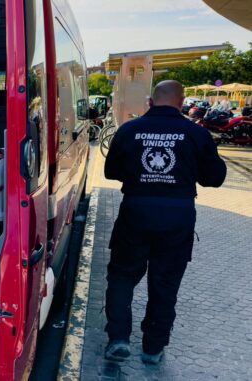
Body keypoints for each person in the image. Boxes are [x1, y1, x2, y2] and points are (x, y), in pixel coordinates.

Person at [103, 80, 227, 364]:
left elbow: (111, 172)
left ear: (150, 101)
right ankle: (153, 348)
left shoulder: (129, 130)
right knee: (165, 283)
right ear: (181, 103)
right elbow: (215, 178)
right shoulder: (196, 133)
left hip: (135, 212)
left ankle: (118, 339)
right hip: (177, 217)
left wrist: (139, 175)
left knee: (121, 278)